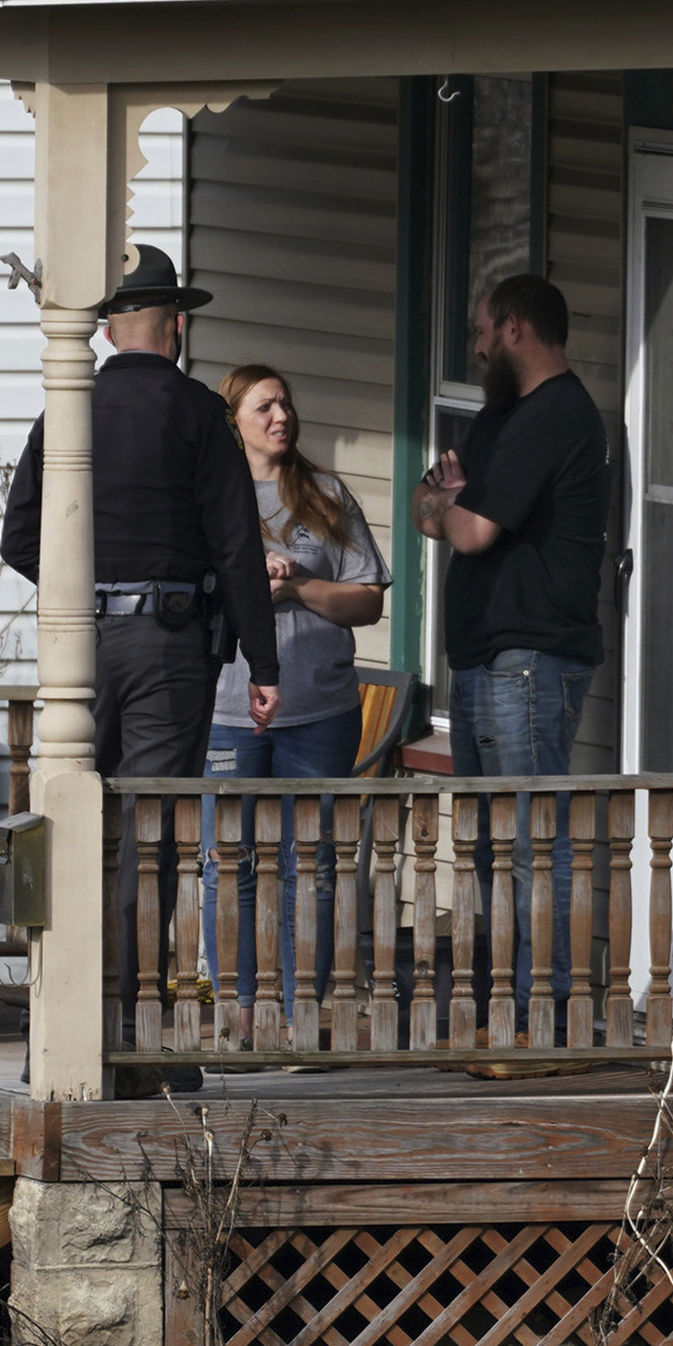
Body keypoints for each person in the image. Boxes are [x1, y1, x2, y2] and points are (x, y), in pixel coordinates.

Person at [0, 243, 280, 778]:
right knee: (153, 817)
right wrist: (263, 665)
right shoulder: (201, 411)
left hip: (80, 639)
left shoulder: (65, 409)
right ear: (177, 325)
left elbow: (18, 540)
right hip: (167, 643)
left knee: (80, 798)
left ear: (108, 333)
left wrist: (80, 590)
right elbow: (236, 547)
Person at [411, 272, 610, 1021]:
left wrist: (450, 506)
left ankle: (546, 1008)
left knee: (531, 836)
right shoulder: (502, 416)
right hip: (483, 660)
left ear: (517, 329)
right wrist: (446, 504)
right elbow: (430, 501)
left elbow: (467, 528)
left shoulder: (554, 416)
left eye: (483, 329)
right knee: (488, 844)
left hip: (528, 661)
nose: (477, 343)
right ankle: (502, 1001)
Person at [204, 365, 389, 1002]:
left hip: (319, 712)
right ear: (235, 421)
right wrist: (245, 578)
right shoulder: (208, 494)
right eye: (264, 407)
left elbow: (367, 603)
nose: (281, 416)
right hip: (231, 710)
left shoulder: (325, 495)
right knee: (231, 868)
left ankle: (300, 1012)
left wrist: (298, 586)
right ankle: (238, 1011)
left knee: (309, 867)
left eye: (285, 404)